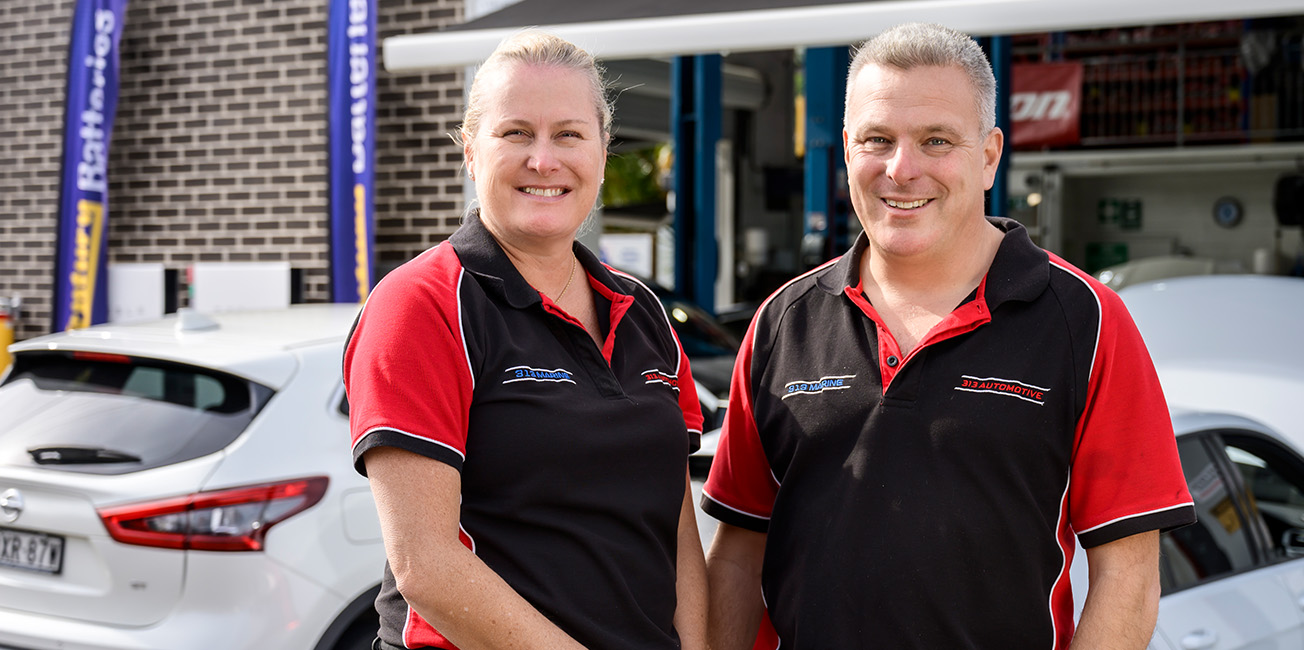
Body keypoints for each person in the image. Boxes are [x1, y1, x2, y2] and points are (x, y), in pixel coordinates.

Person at [701, 23, 1195, 650]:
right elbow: (739, 555)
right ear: (848, 149)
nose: (902, 170)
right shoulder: (783, 322)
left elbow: (1127, 577)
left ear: (989, 156)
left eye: (936, 140)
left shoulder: (1086, 322)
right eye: (878, 140)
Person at [344, 31, 708, 650]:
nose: (544, 160)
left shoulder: (641, 309)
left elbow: (674, 526)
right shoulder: (423, 303)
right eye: (516, 133)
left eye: (569, 134)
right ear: (469, 149)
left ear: (602, 149)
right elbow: (425, 565)